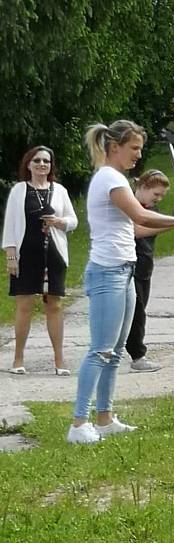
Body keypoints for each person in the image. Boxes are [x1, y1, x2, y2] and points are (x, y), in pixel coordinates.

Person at [68, 120, 174, 445]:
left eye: (140, 149)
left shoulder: (119, 178)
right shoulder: (109, 178)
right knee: (100, 349)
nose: (138, 156)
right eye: (134, 149)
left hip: (124, 270)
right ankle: (78, 423)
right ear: (114, 147)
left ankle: (105, 418)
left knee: (114, 353)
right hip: (107, 272)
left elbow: (136, 230)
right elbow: (141, 216)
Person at [2, 146, 78, 375]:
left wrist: (58, 221)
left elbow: (73, 221)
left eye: (46, 161)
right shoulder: (19, 190)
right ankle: (18, 359)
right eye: (37, 160)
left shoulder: (60, 190)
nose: (42, 164)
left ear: (51, 166)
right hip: (26, 253)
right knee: (24, 305)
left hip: (52, 253)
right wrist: (11, 256)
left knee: (53, 305)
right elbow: (10, 225)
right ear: (29, 164)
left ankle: (59, 360)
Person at [126, 170, 172, 372]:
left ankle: (128, 350)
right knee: (134, 312)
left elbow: (157, 222)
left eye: (162, 196)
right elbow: (137, 231)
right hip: (129, 265)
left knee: (139, 308)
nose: (158, 199)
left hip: (145, 266)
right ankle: (137, 356)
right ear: (143, 187)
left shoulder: (150, 208)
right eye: (156, 194)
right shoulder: (130, 205)